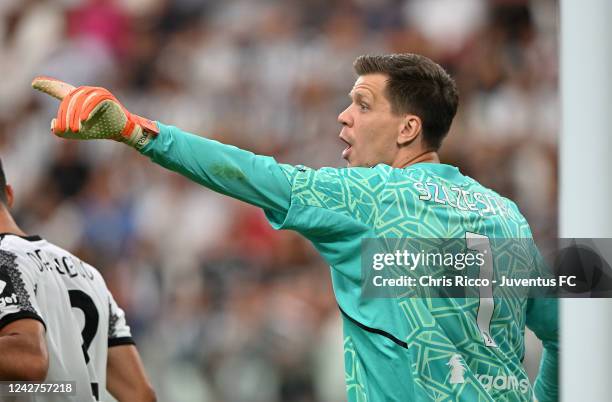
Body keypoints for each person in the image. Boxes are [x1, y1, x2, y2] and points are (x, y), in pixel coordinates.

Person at [32, 53, 558, 402]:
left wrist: (136, 131)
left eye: (362, 104)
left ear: (408, 129)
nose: (342, 117)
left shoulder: (368, 197)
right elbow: (563, 335)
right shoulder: (505, 212)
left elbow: (252, 175)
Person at [0, 159, 156, 401]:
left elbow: (29, 360)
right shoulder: (88, 273)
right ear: (9, 195)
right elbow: (141, 394)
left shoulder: (4, 259)